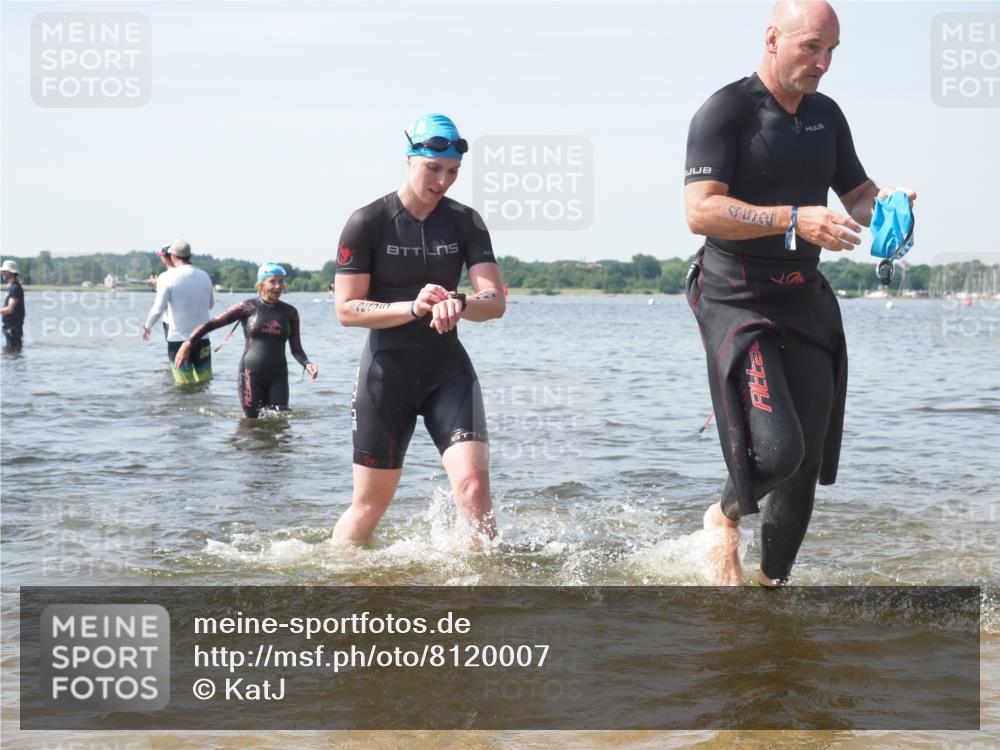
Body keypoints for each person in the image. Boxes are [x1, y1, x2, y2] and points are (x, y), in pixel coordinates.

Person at [683, 0, 915, 585]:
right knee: (778, 452)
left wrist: (886, 204)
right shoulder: (725, 113)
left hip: (804, 296)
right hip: (736, 296)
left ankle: (770, 591)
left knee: (806, 461)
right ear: (772, 38)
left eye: (831, 51)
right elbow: (699, 210)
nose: (823, 63)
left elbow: (855, 191)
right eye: (812, 47)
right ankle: (721, 517)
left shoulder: (826, 116)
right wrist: (792, 220)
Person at [331, 113, 506, 546]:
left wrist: (460, 302)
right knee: (369, 507)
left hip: (448, 372)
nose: (443, 181)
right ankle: (338, 583)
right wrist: (412, 307)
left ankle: (486, 602)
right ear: (411, 159)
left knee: (474, 492)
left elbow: (495, 301)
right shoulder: (367, 221)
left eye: (452, 172)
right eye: (433, 168)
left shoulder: (466, 221)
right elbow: (347, 309)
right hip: (386, 374)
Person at [173, 263, 319, 417]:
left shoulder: (290, 312)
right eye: (272, 281)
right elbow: (212, 324)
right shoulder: (247, 307)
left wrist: (307, 363)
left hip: (279, 377)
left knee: (280, 423)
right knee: (251, 424)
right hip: (251, 374)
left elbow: (296, 348)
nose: (278, 286)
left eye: (281, 281)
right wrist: (187, 344)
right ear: (261, 284)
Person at [140, 240, 215, 385]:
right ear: (189, 255)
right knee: (204, 382)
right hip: (203, 339)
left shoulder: (166, 277)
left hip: (178, 340)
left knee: (183, 385)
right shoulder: (204, 275)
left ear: (173, 255)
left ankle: (184, 408)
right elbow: (210, 305)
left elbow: (158, 309)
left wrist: (146, 327)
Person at [1, 260, 25, 353]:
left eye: (4, 271)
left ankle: (15, 367)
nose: (2, 273)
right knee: (11, 353)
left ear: (11, 272)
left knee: (12, 353)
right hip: (11, 327)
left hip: (13, 328)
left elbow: (10, 309)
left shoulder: (15, 288)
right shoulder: (13, 287)